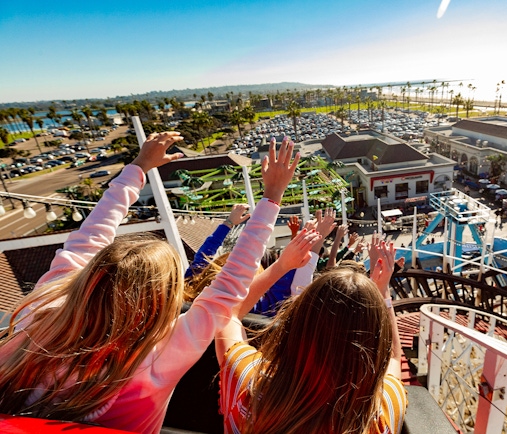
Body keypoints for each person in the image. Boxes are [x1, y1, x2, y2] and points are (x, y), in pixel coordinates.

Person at [0, 133, 300, 434]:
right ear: (163, 300)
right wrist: (272, 197)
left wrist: (139, 166)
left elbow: (89, 237)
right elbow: (229, 286)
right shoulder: (156, 359)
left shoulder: (43, 306)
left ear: (91, 276)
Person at [217, 234, 407, 434]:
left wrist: (282, 266)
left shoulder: (248, 384)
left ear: (295, 322)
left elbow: (227, 315)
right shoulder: (381, 413)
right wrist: (382, 291)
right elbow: (393, 356)